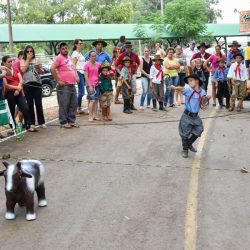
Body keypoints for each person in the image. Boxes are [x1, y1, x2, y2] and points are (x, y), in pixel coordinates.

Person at [173, 74, 210, 158]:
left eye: (191, 80)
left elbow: (203, 104)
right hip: (187, 115)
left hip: (195, 116)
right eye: (188, 81)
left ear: (197, 81)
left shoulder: (203, 91)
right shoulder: (188, 90)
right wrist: (174, 87)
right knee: (184, 133)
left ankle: (189, 144)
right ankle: (185, 150)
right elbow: (181, 89)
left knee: (200, 129)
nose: (189, 82)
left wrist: (207, 98)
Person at [2, 55, 34, 131]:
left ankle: (28, 125)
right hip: (9, 94)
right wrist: (17, 88)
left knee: (25, 108)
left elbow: (21, 80)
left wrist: (18, 89)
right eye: (8, 62)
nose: (10, 63)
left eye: (11, 61)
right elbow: (6, 85)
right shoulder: (3, 71)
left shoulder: (15, 69)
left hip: (18, 93)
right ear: (4, 63)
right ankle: (14, 128)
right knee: (11, 112)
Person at [50, 42, 78, 128]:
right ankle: (63, 122)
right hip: (64, 85)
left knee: (73, 104)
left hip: (72, 84)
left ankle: (71, 121)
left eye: (66, 48)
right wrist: (58, 80)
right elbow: (52, 69)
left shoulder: (69, 58)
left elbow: (72, 69)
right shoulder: (59, 58)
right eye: (63, 48)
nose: (65, 50)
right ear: (60, 50)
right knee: (64, 104)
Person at [21, 45, 46, 129]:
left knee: (38, 103)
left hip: (37, 83)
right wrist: (28, 59)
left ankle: (41, 122)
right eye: (27, 51)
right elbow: (23, 70)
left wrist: (38, 67)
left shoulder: (37, 59)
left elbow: (42, 72)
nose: (29, 53)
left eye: (31, 51)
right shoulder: (23, 60)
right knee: (30, 104)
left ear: (33, 52)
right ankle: (32, 123)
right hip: (27, 84)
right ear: (25, 52)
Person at [115, 41, 140, 110]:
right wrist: (120, 73)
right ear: (125, 47)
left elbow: (138, 63)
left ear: (131, 48)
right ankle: (116, 99)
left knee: (132, 89)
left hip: (131, 74)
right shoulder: (122, 55)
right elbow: (115, 65)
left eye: (129, 47)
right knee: (119, 86)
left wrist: (135, 70)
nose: (128, 48)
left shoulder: (134, 55)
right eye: (127, 47)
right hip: (123, 74)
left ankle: (131, 105)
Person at [83, 51, 101, 122]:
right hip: (90, 85)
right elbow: (85, 76)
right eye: (92, 56)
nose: (94, 57)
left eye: (95, 56)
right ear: (89, 57)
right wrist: (90, 85)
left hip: (97, 84)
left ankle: (95, 115)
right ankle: (90, 116)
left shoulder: (98, 65)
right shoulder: (86, 65)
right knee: (92, 100)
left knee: (96, 101)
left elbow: (99, 73)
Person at [72, 39, 87, 115]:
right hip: (78, 72)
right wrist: (76, 75)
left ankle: (79, 108)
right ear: (76, 44)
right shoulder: (75, 53)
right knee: (81, 92)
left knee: (81, 92)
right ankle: (77, 108)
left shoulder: (80, 53)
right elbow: (73, 64)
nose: (81, 44)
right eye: (80, 43)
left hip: (82, 72)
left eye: (82, 43)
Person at [113, 36, 126, 104]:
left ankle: (116, 98)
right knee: (122, 83)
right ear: (124, 40)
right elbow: (124, 58)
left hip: (116, 67)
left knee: (118, 83)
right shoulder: (124, 47)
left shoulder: (115, 48)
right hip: (122, 68)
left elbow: (113, 57)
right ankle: (117, 99)